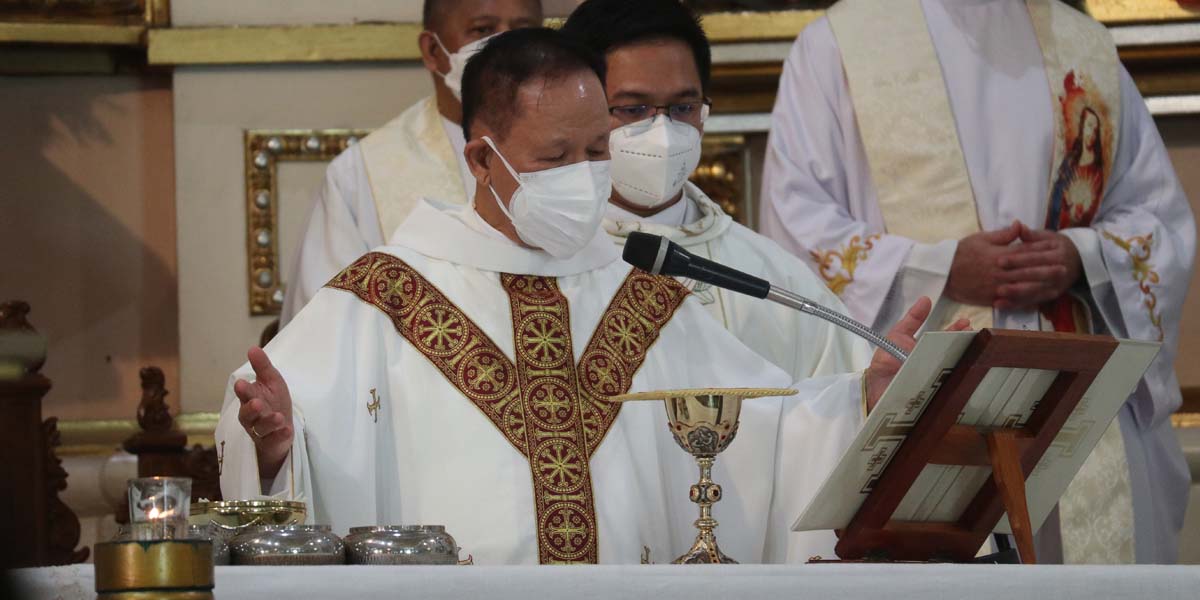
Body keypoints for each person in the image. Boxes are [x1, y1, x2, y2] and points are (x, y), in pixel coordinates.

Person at [217, 28, 954, 565]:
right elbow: (284, 444)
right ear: (482, 158)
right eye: (555, 158)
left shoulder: (639, 294)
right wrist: (282, 445)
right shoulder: (383, 296)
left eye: (597, 151)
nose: (586, 174)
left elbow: (766, 432)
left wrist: (862, 402)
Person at [760, 0, 1194, 563]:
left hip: (1073, 381)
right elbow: (796, 226)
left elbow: (1155, 216)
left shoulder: (1081, 42)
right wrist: (939, 268)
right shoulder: (837, 45)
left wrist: (1079, 256)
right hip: (920, 365)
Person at [559, 0, 871, 386]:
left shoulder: (773, 275)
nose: (663, 130)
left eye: (683, 107)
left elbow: (845, 410)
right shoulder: (547, 265)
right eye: (633, 108)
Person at [280, 0, 543, 324]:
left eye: (524, 29)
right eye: (482, 30)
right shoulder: (361, 175)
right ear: (433, 50)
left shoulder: (584, 154)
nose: (507, 48)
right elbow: (324, 330)